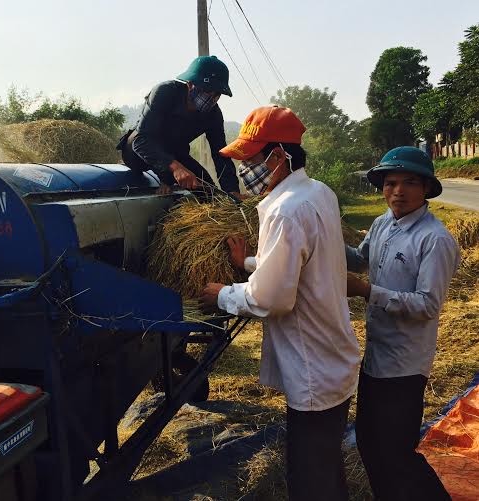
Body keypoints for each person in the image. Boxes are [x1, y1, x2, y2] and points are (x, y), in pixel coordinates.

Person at [199, 105, 360, 501]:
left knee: (310, 480)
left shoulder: (286, 211)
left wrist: (220, 293)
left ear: (278, 156)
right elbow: (303, 261)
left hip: (313, 368)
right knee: (326, 466)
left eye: (250, 159)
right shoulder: (319, 193)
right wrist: (250, 262)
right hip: (333, 358)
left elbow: (271, 298)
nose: (245, 168)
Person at [345, 146, 460, 500]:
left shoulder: (434, 239)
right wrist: (322, 235)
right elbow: (360, 259)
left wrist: (367, 291)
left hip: (406, 363)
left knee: (396, 453)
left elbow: (427, 305)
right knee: (368, 441)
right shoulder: (383, 223)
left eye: (409, 182)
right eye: (390, 182)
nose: (398, 190)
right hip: (377, 354)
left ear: (426, 188)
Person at [117, 55, 240, 196]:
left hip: (176, 152)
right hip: (140, 151)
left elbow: (220, 155)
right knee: (137, 142)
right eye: (206, 90)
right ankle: (166, 178)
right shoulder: (165, 93)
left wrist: (232, 190)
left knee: (209, 192)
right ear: (189, 85)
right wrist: (175, 168)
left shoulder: (213, 115)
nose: (211, 97)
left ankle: (170, 179)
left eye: (216, 94)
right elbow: (141, 141)